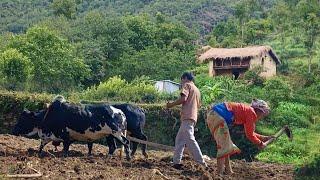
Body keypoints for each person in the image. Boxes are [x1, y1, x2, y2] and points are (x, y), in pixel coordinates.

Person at [206, 99, 273, 175]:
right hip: (217, 117)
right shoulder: (251, 113)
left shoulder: (247, 110)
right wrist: (260, 143)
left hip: (213, 115)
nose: (261, 117)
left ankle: (228, 170)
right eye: (262, 115)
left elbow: (249, 132)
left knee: (226, 145)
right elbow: (249, 135)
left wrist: (264, 138)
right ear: (259, 111)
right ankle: (219, 174)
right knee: (224, 147)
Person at [166, 72, 207, 169]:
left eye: (181, 80)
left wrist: (171, 104)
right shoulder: (197, 90)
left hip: (187, 116)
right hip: (192, 117)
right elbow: (198, 105)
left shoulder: (187, 85)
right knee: (179, 140)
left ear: (185, 78)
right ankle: (176, 162)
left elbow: (183, 98)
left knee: (190, 139)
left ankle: (202, 163)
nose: (181, 82)